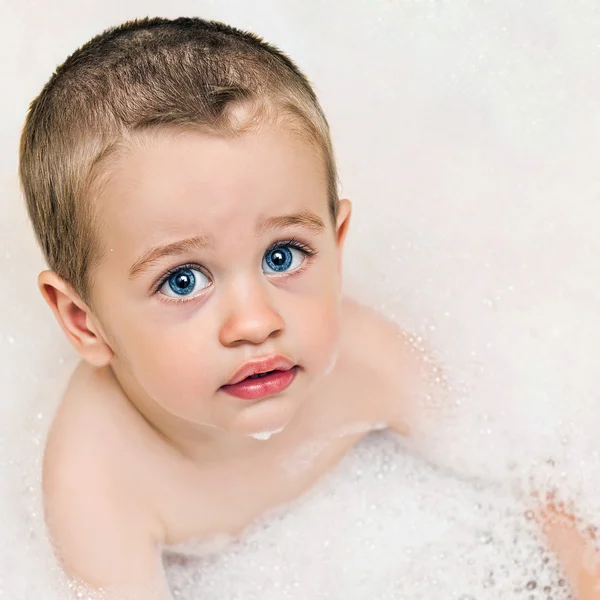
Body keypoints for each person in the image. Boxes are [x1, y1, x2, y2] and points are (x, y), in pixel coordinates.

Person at [18, 16, 599, 600]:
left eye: (282, 255)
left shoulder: (369, 363)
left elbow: (536, 478)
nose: (256, 321)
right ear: (81, 321)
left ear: (337, 244)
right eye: (183, 279)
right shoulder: (99, 487)